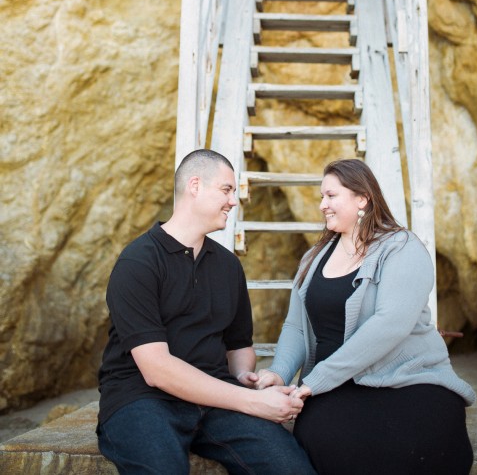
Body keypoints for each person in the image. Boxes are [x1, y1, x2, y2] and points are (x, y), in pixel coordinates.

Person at [96, 149, 315, 475]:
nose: (233, 201)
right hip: (142, 399)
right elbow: (156, 369)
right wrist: (252, 402)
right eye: (226, 190)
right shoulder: (139, 262)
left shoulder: (228, 266)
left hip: (215, 402)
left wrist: (243, 376)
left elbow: (239, 346)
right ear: (195, 186)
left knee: (290, 467)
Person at [256, 158, 475, 474]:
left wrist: (315, 380)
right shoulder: (313, 258)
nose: (322, 205)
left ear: (363, 198)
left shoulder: (401, 248)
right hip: (335, 390)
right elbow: (296, 326)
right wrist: (279, 373)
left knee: (424, 445)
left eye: (331, 196)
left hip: (409, 381)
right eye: (322, 197)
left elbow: (390, 325)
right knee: (329, 441)